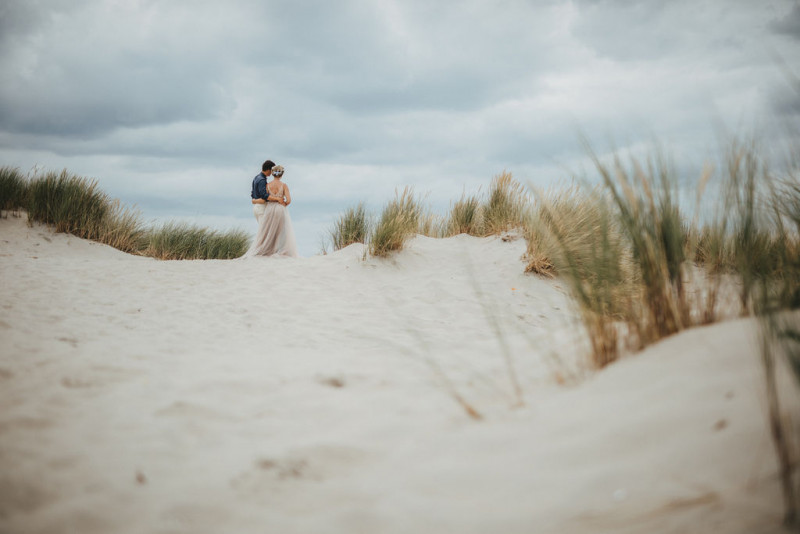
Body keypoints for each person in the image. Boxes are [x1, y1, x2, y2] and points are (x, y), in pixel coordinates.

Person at [245, 165, 299, 258]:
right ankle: (280, 249)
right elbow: (289, 200)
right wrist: (283, 204)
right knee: (281, 230)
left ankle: (269, 250)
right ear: (281, 174)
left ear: (273, 174)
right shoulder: (284, 185)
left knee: (269, 230)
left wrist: (254, 200)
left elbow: (266, 197)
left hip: (269, 209)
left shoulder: (267, 185)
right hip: (280, 209)